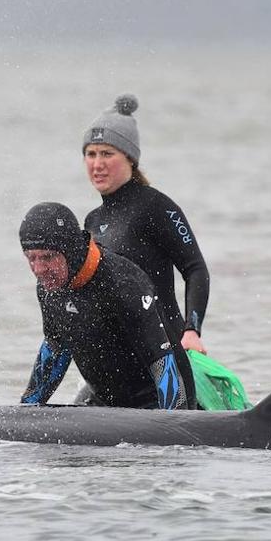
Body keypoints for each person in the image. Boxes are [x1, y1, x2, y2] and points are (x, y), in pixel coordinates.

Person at [18, 201, 193, 410]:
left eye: (47, 257)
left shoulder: (123, 283)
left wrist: (175, 423)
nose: (38, 269)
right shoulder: (49, 287)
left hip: (155, 404)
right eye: (31, 258)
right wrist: (26, 410)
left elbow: (161, 362)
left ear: (72, 250)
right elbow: (56, 348)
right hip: (103, 403)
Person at [81, 94, 211, 355]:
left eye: (107, 153)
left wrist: (192, 331)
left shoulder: (156, 206)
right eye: (90, 154)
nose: (97, 164)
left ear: (130, 158)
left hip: (166, 350)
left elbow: (195, 269)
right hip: (122, 357)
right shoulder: (92, 220)